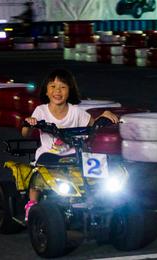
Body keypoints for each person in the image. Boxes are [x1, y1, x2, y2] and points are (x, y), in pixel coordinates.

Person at [21, 69, 119, 220]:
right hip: (49, 156)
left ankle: (104, 199)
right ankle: (32, 204)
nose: (57, 91)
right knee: (37, 177)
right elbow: (25, 134)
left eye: (63, 87)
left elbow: (92, 126)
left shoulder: (76, 112)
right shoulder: (40, 111)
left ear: (70, 90)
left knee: (102, 166)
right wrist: (29, 123)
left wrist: (103, 116)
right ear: (46, 91)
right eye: (53, 86)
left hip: (74, 155)